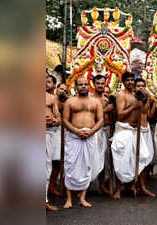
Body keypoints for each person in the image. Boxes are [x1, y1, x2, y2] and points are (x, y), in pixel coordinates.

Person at [62, 76, 104, 208]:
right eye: (80, 84)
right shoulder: (70, 101)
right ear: (76, 87)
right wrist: (76, 131)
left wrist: (91, 132)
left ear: (89, 85)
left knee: (87, 165)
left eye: (85, 84)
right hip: (74, 136)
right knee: (70, 165)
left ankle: (83, 197)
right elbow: (65, 120)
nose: (83, 87)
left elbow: (101, 120)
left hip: (90, 136)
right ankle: (69, 199)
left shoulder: (96, 102)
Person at [111, 72, 153, 199]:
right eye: (127, 80)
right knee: (120, 160)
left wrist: (147, 100)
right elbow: (120, 114)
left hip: (135, 131)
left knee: (141, 158)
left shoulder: (137, 95)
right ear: (123, 82)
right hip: (123, 130)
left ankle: (141, 187)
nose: (130, 82)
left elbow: (144, 111)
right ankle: (118, 190)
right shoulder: (121, 95)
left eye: (131, 80)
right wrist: (133, 106)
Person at [90, 75, 114, 195]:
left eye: (102, 83)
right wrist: (105, 109)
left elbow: (112, 117)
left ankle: (102, 185)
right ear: (93, 84)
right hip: (92, 132)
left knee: (104, 159)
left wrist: (111, 108)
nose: (100, 85)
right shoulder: (89, 98)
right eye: (98, 83)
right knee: (90, 158)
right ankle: (85, 187)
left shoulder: (106, 100)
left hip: (105, 131)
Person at [133, 77, 157, 197]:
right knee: (136, 158)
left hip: (146, 129)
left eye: (143, 86)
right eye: (138, 86)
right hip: (136, 131)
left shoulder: (147, 98)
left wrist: (154, 102)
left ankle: (142, 186)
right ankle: (133, 185)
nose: (141, 88)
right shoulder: (133, 98)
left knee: (147, 159)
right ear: (134, 87)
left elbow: (150, 116)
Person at [47, 82, 69, 197]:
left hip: (61, 132)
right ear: (57, 88)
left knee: (57, 160)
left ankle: (52, 186)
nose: (62, 91)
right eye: (61, 89)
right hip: (49, 131)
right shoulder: (52, 99)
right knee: (48, 160)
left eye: (65, 90)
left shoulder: (66, 101)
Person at [45, 88, 60, 211]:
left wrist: (54, 120)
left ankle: (44, 202)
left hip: (47, 133)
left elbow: (58, 119)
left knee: (45, 168)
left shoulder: (51, 98)